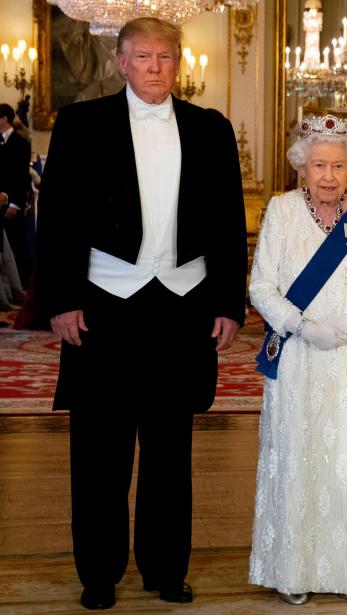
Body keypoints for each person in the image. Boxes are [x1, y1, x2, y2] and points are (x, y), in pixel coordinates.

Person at [35, 17, 248, 610]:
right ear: (121, 63)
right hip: (105, 304)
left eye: (165, 58)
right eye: (144, 57)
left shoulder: (211, 129)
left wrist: (230, 302)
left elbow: (230, 222)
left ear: (177, 64)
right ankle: (98, 575)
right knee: (99, 449)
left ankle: (164, 570)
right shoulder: (82, 125)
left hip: (182, 306)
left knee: (169, 448)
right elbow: (55, 221)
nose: (156, 67)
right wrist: (61, 301)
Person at [247, 114, 347, 605]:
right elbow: (260, 286)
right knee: (297, 457)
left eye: (338, 165)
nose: (329, 176)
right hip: (298, 358)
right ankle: (295, 571)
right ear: (302, 166)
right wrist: (303, 325)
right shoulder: (281, 211)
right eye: (319, 165)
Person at [0, 103, 32, 288]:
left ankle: (20, 286)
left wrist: (14, 203)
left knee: (16, 245)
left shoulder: (21, 143)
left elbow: (21, 176)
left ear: (4, 118)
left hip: (13, 203)